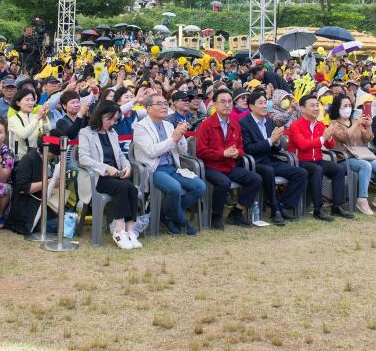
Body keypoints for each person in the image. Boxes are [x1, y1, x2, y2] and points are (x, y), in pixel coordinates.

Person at [132, 92, 204, 235]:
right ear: (148, 109)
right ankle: (182, 220)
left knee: (199, 186)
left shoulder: (169, 125)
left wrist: (181, 136)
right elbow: (151, 151)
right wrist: (173, 139)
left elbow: (182, 151)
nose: (164, 106)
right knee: (175, 188)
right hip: (154, 169)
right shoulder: (140, 127)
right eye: (159, 104)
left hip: (173, 167)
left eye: (165, 103)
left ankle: (166, 215)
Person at [78, 101, 141, 249]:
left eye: (114, 120)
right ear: (99, 116)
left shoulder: (112, 133)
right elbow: (83, 158)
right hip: (97, 177)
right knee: (121, 188)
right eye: (109, 119)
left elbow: (119, 155)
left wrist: (126, 166)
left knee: (132, 188)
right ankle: (119, 231)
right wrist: (106, 167)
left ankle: (130, 231)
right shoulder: (86, 132)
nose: (112, 122)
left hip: (113, 175)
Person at [194, 88, 261, 229]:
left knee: (255, 178)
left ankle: (236, 212)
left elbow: (241, 147)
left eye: (230, 102)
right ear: (214, 104)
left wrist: (238, 152)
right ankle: (216, 215)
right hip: (210, 167)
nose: (227, 105)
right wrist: (222, 153)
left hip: (229, 165)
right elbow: (200, 152)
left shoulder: (235, 123)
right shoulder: (206, 125)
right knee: (223, 183)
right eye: (223, 102)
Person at [239, 89, 306, 225]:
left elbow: (275, 148)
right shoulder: (244, 123)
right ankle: (274, 208)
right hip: (254, 162)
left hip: (270, 159)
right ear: (251, 106)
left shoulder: (269, 122)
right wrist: (270, 141)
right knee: (268, 171)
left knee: (301, 173)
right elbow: (248, 149)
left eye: (265, 102)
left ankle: (283, 206)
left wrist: (275, 142)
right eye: (260, 103)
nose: (264, 106)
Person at [287, 94, 352, 221]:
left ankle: (337, 206)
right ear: (302, 108)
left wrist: (330, 135)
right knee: (317, 170)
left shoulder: (320, 124)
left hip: (317, 159)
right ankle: (318, 208)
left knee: (338, 169)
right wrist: (323, 137)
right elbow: (303, 145)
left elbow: (330, 145)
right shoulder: (296, 125)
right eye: (312, 106)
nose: (316, 108)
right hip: (300, 161)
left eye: (317, 105)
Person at [327, 96, 376, 215]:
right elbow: (344, 137)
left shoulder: (356, 122)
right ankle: (362, 199)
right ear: (337, 108)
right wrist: (356, 123)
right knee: (365, 166)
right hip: (344, 159)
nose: (348, 108)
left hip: (362, 155)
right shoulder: (334, 124)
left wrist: (369, 125)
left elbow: (367, 139)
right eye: (344, 106)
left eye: (349, 106)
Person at [7, 86, 47, 158]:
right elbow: (23, 134)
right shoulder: (13, 119)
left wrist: (44, 119)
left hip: (35, 156)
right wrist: (37, 118)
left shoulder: (35, 117)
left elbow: (46, 133)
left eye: (32, 100)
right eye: (27, 100)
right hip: (19, 159)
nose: (31, 103)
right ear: (18, 103)